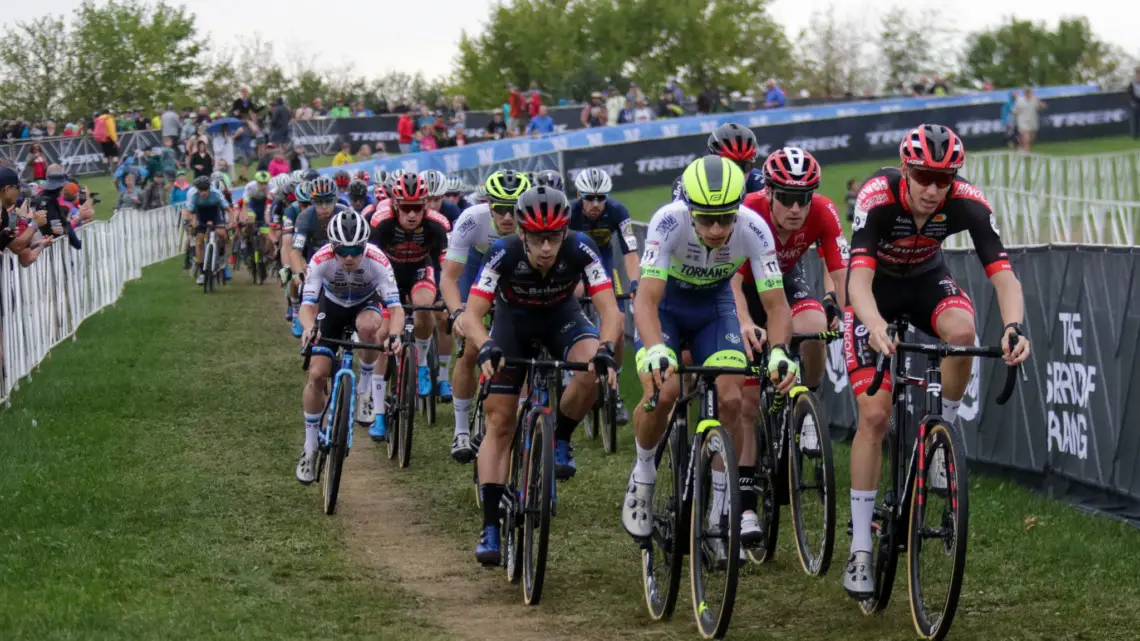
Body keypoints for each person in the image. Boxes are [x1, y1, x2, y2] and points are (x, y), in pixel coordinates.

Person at [841, 124, 1030, 599]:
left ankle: (941, 440)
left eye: (942, 179)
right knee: (874, 416)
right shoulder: (877, 198)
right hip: (875, 291)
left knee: (963, 332)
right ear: (905, 169)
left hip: (927, 279)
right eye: (923, 176)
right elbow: (857, 284)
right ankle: (861, 547)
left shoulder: (967, 201)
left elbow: (1004, 278)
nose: (932, 189)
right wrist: (874, 323)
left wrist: (1013, 327)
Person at [621, 155, 797, 559]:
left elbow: (776, 305)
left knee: (733, 400)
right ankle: (644, 473)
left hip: (714, 309)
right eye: (706, 219)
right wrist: (655, 349)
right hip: (666, 307)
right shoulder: (669, 222)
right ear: (689, 209)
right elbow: (646, 301)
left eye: (725, 218)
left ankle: (719, 514)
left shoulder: (753, 228)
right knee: (662, 392)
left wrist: (780, 352)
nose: (717, 229)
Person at [462, 185, 622, 565]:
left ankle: (560, 438)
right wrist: (485, 344)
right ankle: (490, 527)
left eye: (553, 237)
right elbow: (471, 313)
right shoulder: (503, 253)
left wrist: (605, 348)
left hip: (561, 318)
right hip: (512, 325)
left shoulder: (581, 247)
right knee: (500, 421)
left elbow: (610, 310)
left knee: (588, 371)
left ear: (565, 232)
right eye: (538, 238)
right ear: (522, 233)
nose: (547, 248)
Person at [732, 148, 849, 453]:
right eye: (785, 197)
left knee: (813, 326)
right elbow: (728, 279)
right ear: (768, 192)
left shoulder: (824, 210)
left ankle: (807, 402)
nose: (796, 208)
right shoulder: (747, 210)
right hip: (743, 287)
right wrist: (744, 320)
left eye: (804, 198)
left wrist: (840, 305)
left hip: (783, 279)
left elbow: (841, 271)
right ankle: (743, 488)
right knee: (747, 403)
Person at [295, 210, 403, 484]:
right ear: (333, 246)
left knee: (369, 327)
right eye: (343, 251)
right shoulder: (320, 259)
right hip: (331, 309)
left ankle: (365, 389)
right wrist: (309, 329)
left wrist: (395, 334)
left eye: (356, 250)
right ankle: (309, 447)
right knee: (318, 374)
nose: (350, 257)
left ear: (365, 245)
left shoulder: (378, 261)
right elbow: (307, 306)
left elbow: (396, 308)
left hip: (365, 305)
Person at [440, 170, 531, 462]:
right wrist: (457, 313)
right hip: (475, 268)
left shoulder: (533, 222)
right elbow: (449, 278)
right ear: (488, 205)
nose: (507, 217)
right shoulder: (471, 219)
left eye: (514, 209)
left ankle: (520, 422)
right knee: (468, 350)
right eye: (500, 209)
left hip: (513, 271)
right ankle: (461, 429)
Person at [365, 172, 452, 441]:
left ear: (426, 204)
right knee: (382, 337)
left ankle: (423, 364)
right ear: (395, 204)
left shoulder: (438, 224)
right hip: (387, 274)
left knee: (425, 307)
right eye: (406, 208)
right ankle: (379, 414)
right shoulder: (381, 222)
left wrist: (447, 298)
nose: (412, 215)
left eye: (418, 208)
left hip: (418, 270)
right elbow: (371, 263)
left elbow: (446, 267)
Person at [569, 167, 639, 424]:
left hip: (603, 265)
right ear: (579, 195)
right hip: (574, 266)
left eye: (601, 198)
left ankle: (614, 388)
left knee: (617, 319)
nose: (596, 204)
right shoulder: (569, 213)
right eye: (589, 198)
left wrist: (635, 284)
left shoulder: (618, 211)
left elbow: (630, 252)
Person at [672, 123, 764, 201]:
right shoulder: (686, 182)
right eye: (729, 166)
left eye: (745, 166)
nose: (738, 174)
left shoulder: (762, 182)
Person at [183, 175, 232, 285]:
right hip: (201, 214)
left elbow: (228, 209)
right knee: (199, 241)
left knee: (222, 234)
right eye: (201, 190)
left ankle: (222, 256)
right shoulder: (193, 194)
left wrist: (231, 223)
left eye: (205, 190)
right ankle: (202, 272)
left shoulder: (216, 193)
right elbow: (188, 211)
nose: (203, 193)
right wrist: (192, 220)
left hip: (215, 213)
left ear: (209, 188)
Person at [1013, 87, 1046, 153]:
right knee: (1026, 138)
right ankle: (1027, 153)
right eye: (1027, 92)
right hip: (1022, 122)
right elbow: (1015, 111)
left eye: (1029, 92)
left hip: (1032, 122)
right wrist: (1015, 120)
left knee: (1031, 138)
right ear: (1024, 93)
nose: (1028, 93)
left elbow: (1040, 107)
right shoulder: (1019, 100)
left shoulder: (1035, 99)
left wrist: (1042, 106)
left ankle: (1022, 147)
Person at [1130, 67, 1140, 139]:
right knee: (1135, 120)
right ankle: (1135, 135)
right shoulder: (1133, 83)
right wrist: (1132, 101)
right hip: (1136, 102)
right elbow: (1129, 93)